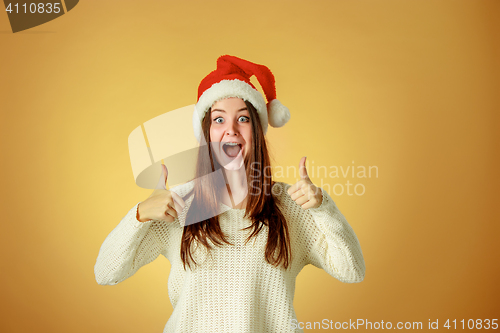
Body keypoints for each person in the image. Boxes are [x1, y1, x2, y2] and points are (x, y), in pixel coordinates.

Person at [94, 55, 365, 333]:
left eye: (243, 119)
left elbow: (352, 271)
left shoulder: (291, 206)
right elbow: (105, 273)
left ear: (257, 131)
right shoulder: (178, 206)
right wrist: (139, 214)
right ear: (207, 133)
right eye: (219, 119)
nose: (231, 130)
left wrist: (323, 208)